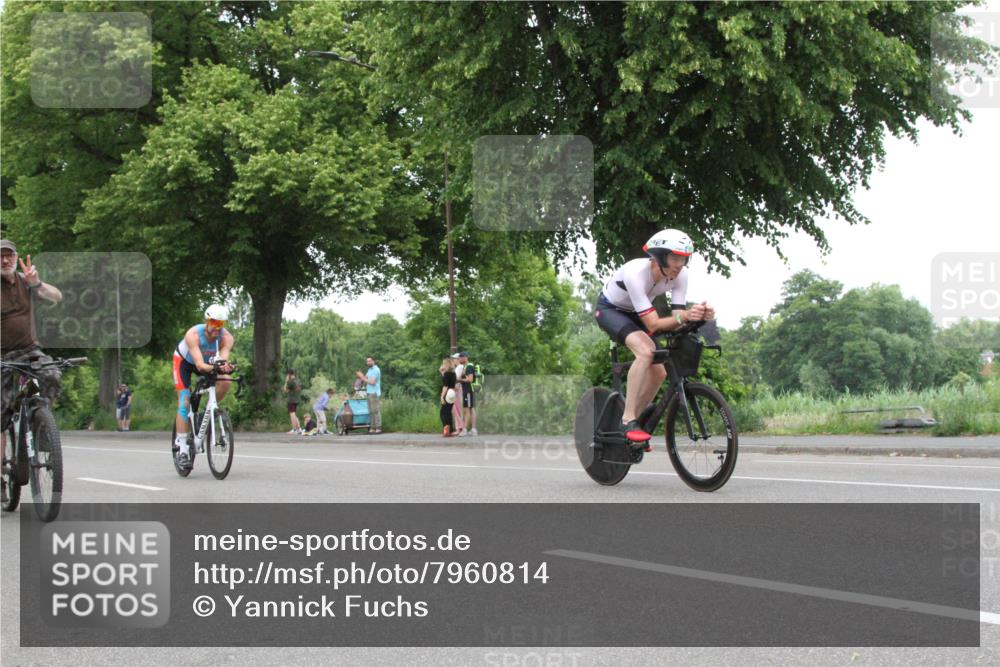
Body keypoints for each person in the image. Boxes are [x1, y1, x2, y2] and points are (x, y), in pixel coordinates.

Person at [594, 229, 715, 443]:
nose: (680, 264)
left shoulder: (680, 276)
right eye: (675, 258)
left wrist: (699, 316)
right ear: (659, 256)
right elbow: (654, 323)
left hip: (636, 312)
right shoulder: (636, 273)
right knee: (646, 352)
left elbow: (677, 319)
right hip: (611, 310)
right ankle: (627, 419)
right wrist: (685, 316)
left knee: (659, 371)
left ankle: (634, 422)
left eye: (684, 259)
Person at [1, 240, 63, 448]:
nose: (5, 260)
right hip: (2, 356)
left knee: (52, 374)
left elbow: (56, 296)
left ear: (16, 257)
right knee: (1, 416)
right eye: (0, 256)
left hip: (29, 351)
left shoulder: (25, 281)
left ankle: (40, 424)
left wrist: (36, 282)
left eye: (9, 255)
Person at [172, 304, 235, 469]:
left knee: (226, 380)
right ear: (207, 321)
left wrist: (225, 367)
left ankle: (206, 413)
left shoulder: (226, 338)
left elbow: (222, 360)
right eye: (214, 322)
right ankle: (183, 448)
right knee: (184, 401)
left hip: (206, 364)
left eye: (221, 324)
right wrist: (216, 367)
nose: (217, 327)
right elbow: (199, 365)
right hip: (185, 363)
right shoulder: (193, 335)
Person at [355, 356, 382, 434]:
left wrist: (362, 377)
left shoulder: (376, 370)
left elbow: (372, 382)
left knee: (375, 411)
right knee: (371, 411)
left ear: (373, 361)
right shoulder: (369, 370)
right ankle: (373, 428)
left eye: (369, 361)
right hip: (369, 392)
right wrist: (360, 376)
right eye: (367, 361)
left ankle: (378, 427)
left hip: (374, 392)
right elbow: (365, 378)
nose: (368, 363)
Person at [456, 351, 478, 436]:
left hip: (468, 391)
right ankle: (473, 429)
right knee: (471, 409)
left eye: (460, 357)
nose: (459, 359)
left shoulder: (468, 367)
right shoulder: (466, 367)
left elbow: (470, 379)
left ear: (465, 357)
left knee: (467, 410)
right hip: (468, 391)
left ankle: (465, 430)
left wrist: (460, 380)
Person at [439, 358, 457, 437]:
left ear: (446, 365)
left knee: (443, 413)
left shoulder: (447, 374)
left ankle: (446, 429)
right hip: (452, 394)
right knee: (448, 412)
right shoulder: (453, 373)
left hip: (447, 393)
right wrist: (441, 372)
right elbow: (448, 381)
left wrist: (442, 396)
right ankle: (451, 430)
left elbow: (445, 386)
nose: (443, 365)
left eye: (443, 364)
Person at [450, 352, 465, 435]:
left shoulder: (460, 367)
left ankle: (460, 427)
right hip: (455, 388)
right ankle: (459, 427)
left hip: (457, 389)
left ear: (458, 359)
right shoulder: (457, 367)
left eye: (454, 359)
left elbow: (456, 378)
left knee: (457, 408)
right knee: (455, 408)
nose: (453, 360)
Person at [283, 370, 303, 434]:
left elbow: (285, 390)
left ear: (289, 374)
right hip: (297, 399)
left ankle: (294, 429)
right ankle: (299, 429)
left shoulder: (290, 382)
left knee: (292, 414)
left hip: (291, 399)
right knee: (294, 414)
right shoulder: (298, 380)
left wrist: (286, 381)